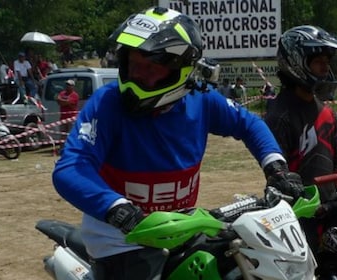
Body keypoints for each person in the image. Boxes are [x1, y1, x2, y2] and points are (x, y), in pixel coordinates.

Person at [52, 7, 303, 280]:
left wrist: (276, 167)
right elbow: (71, 168)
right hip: (120, 239)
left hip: (182, 226)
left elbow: (249, 123)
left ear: (180, 70)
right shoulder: (108, 103)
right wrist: (116, 208)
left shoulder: (201, 99)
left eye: (151, 68)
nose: (138, 75)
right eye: (133, 64)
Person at [262, 25, 337, 279]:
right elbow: (277, 177)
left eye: (327, 62)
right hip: (298, 218)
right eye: (318, 62)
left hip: (331, 208)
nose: (325, 68)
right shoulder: (279, 115)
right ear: (297, 63)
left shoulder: (326, 111)